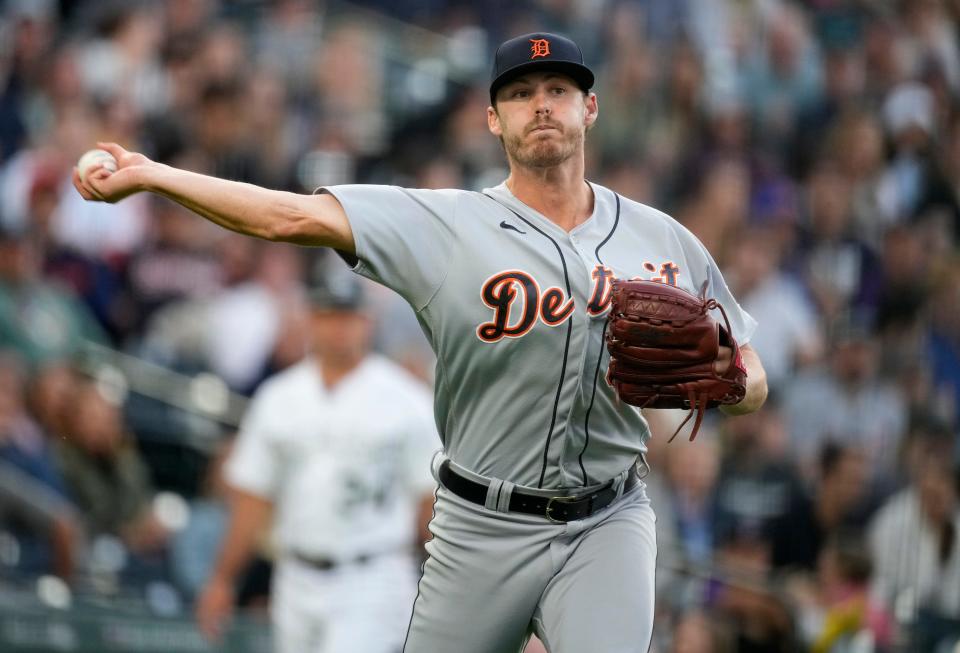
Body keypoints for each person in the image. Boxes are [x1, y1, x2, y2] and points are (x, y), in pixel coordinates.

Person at [74, 31, 767, 652]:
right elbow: (290, 217)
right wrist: (155, 176)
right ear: (494, 120)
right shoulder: (445, 224)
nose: (542, 105)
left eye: (559, 89)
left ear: (590, 108)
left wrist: (730, 376)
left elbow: (751, 375)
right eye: (520, 95)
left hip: (609, 517)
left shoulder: (661, 237)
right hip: (481, 524)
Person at [194, 276, 439, 653]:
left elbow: (430, 506)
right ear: (310, 319)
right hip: (295, 573)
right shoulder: (278, 397)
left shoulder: (406, 400)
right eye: (328, 315)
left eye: (348, 316)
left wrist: (446, 588)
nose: (339, 327)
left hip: (374, 574)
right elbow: (252, 498)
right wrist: (223, 580)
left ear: (367, 321)